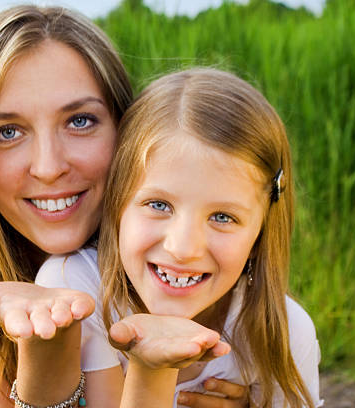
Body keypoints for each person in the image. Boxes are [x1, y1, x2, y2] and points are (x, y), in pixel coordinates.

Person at [0, 5, 247, 407]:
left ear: (127, 127)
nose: (49, 168)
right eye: (8, 132)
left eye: (80, 121)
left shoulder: (175, 238)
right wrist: (46, 352)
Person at [31, 68, 323, 407]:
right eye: (159, 204)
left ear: (260, 234)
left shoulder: (283, 332)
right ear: (117, 203)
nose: (183, 249)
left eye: (223, 217)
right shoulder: (77, 290)